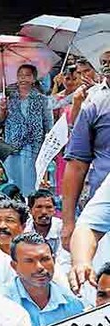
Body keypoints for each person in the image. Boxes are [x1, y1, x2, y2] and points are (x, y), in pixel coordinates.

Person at [61, 49, 110, 273]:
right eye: (104, 61)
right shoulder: (94, 104)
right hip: (103, 210)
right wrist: (69, 222)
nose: (107, 64)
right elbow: (76, 165)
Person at [2, 232, 84, 326]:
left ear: (53, 260)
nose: (39, 267)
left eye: (45, 259)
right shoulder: (0, 303)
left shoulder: (73, 304)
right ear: (14, 266)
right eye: (29, 261)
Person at [0, 64, 54, 195]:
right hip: (12, 148)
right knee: (12, 183)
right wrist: (2, 110)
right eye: (20, 76)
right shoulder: (8, 99)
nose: (23, 79)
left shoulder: (43, 100)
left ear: (34, 79)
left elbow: (48, 126)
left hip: (34, 148)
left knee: (32, 184)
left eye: (27, 75)